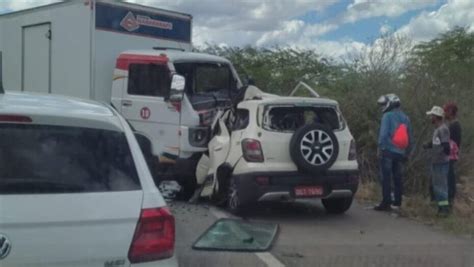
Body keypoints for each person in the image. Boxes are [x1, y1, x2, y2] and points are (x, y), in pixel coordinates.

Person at [374, 94, 413, 212]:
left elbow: (383, 135)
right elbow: (410, 137)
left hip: (388, 151)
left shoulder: (387, 116)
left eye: (384, 104)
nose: (382, 107)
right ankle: (397, 202)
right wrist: (407, 153)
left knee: (386, 178)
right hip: (400, 152)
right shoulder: (406, 117)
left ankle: (386, 202)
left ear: (390, 103)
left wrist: (380, 148)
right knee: (398, 178)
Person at [423, 106, 451, 216]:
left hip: (441, 162)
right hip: (436, 161)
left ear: (436, 117)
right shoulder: (437, 129)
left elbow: (445, 146)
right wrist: (429, 145)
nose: (431, 118)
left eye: (432, 116)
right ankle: (440, 207)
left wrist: (441, 153)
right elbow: (437, 143)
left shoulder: (443, 129)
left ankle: (444, 209)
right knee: (437, 186)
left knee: (441, 186)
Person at [444, 102, 461, 203]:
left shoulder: (455, 126)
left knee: (449, 180)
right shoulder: (453, 125)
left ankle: (448, 203)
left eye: (446, 110)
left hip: (450, 156)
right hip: (449, 156)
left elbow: (454, 144)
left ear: (450, 112)